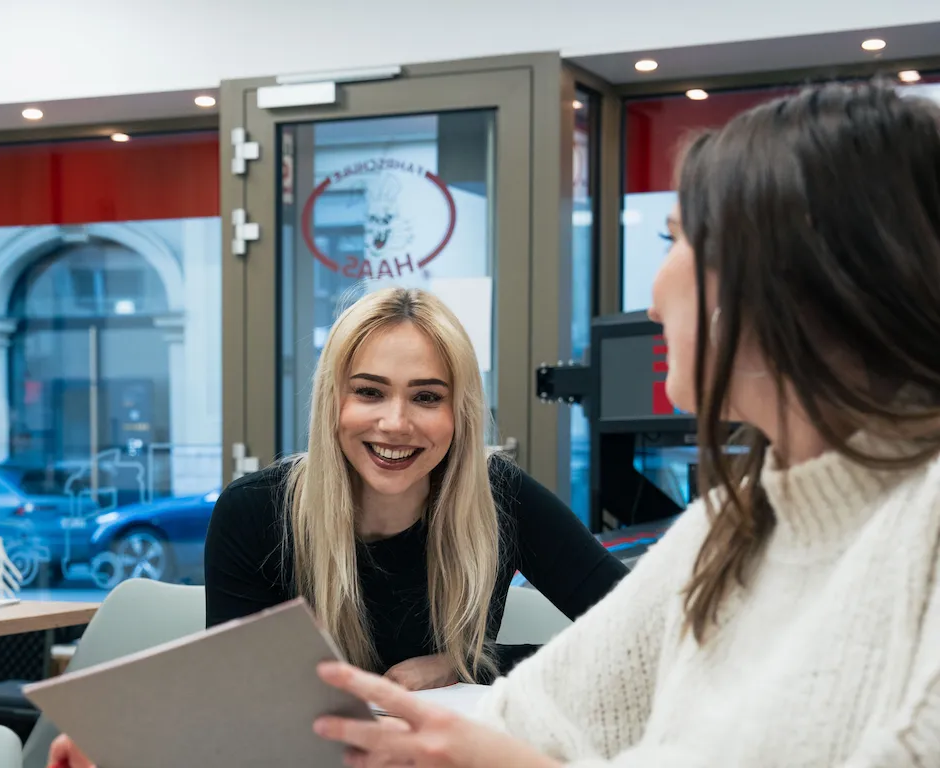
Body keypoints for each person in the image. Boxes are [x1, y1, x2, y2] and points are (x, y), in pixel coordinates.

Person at [310, 80, 940, 766]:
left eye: (675, 241)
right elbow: (530, 718)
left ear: (790, 282)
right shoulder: (726, 527)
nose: (655, 292)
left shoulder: (917, 531)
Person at [47, 286, 627, 768]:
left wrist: (472, 661)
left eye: (426, 397)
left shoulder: (501, 497)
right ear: (333, 402)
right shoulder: (257, 514)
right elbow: (238, 717)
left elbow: (640, 639)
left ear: (460, 415)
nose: (394, 423)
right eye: (369, 392)